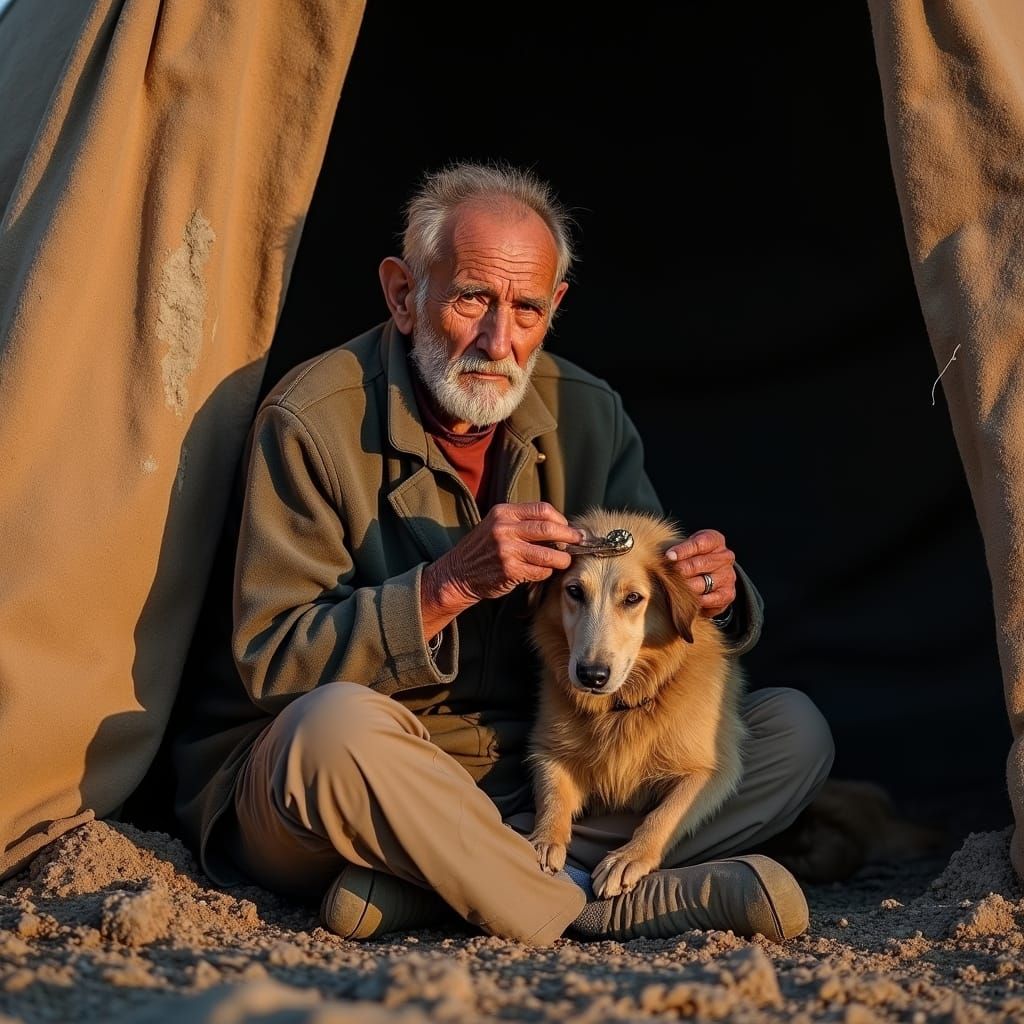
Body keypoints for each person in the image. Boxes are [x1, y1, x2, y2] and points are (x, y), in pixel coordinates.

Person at [172, 160, 835, 945]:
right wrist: (448, 583)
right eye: (471, 299)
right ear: (402, 295)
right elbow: (273, 662)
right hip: (369, 772)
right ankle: (582, 906)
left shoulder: (586, 412)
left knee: (793, 731)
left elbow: (637, 583)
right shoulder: (311, 420)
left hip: (534, 774)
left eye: (525, 309)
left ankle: (445, 887)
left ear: (554, 308)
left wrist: (710, 587)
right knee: (333, 732)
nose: (498, 339)